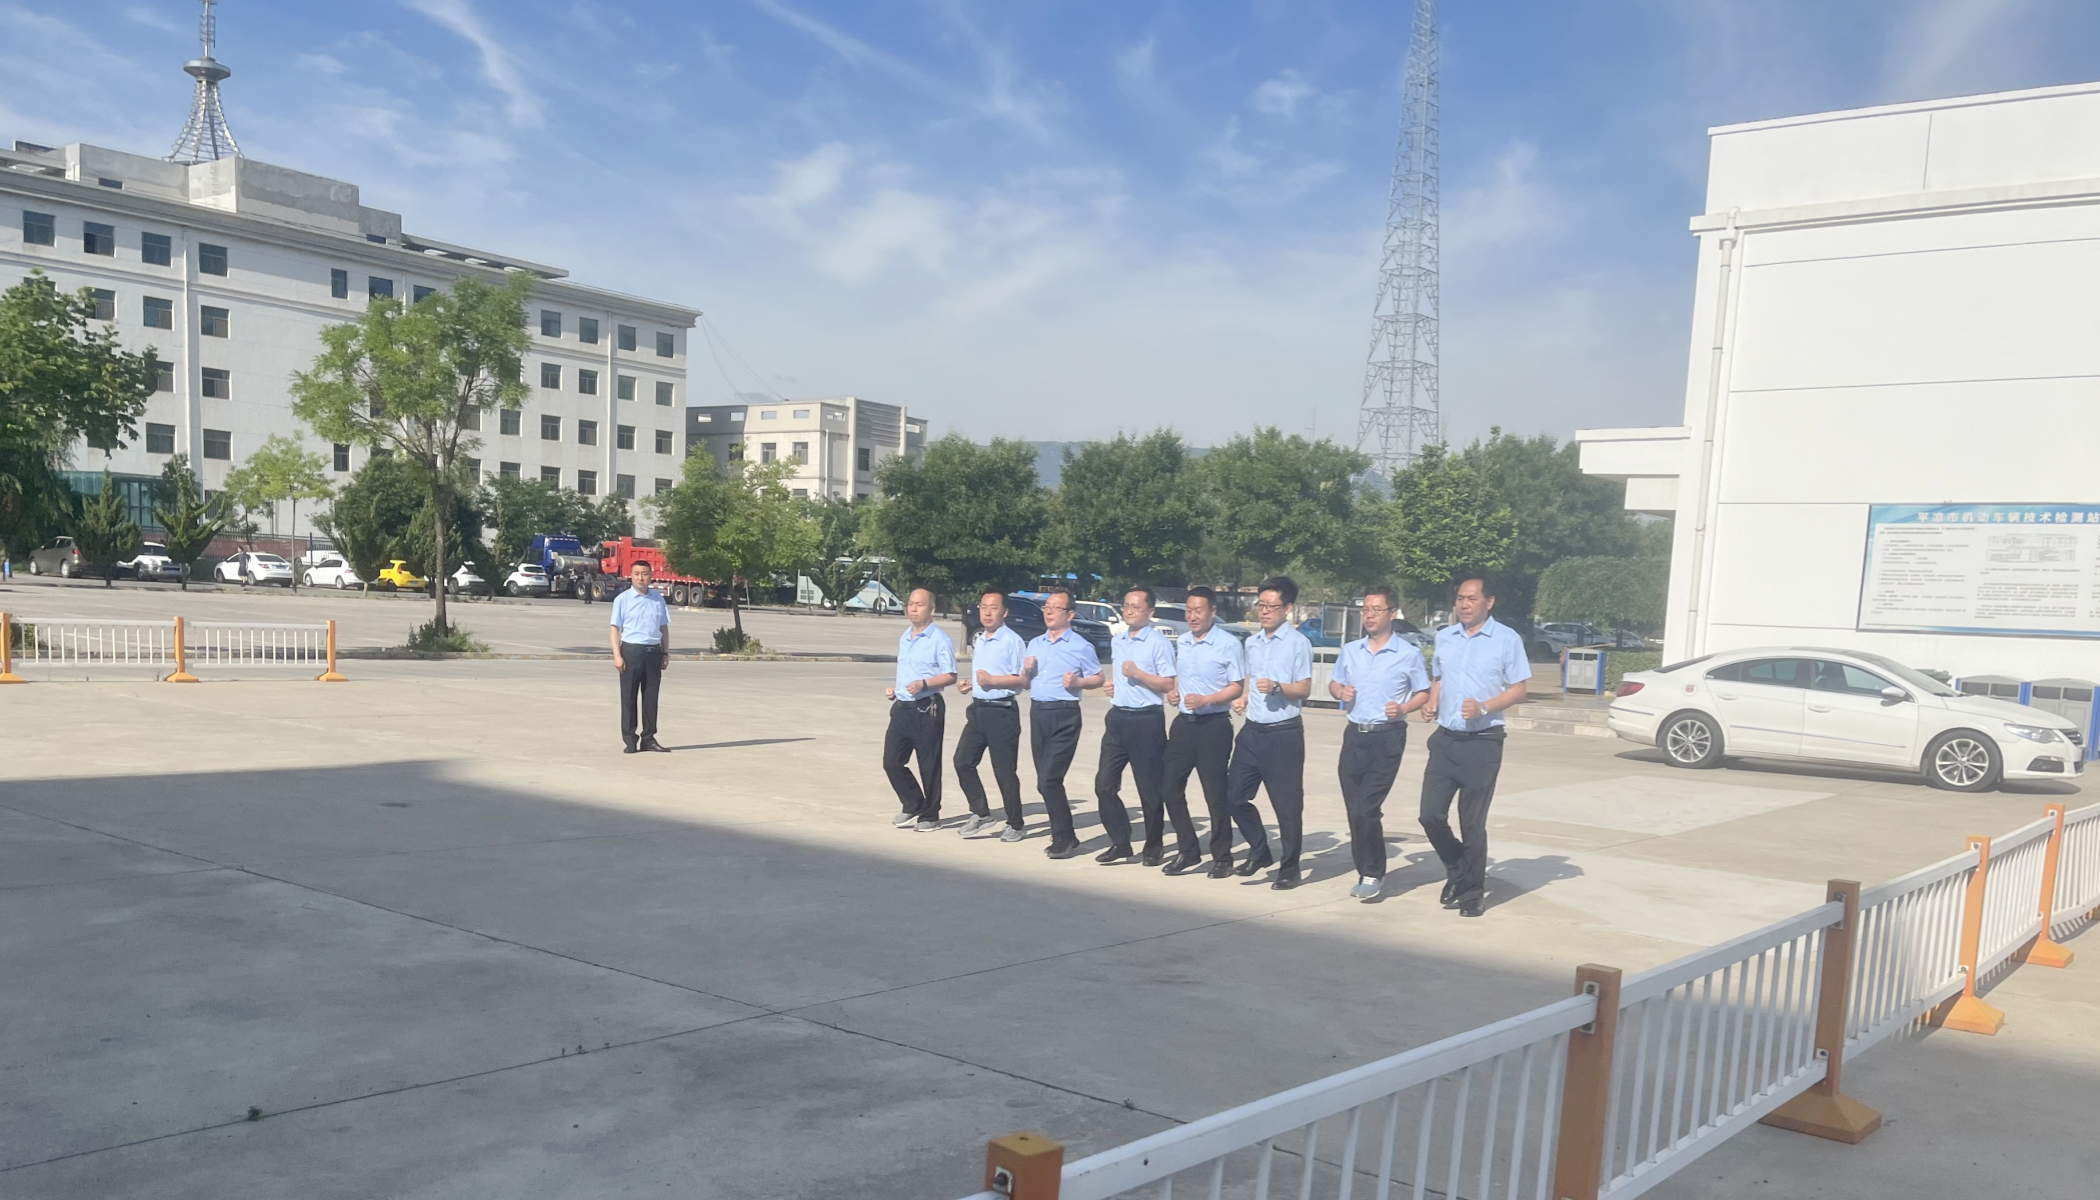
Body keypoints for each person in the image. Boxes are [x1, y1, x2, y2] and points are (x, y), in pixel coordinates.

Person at [1418, 573, 1532, 918]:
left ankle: (1471, 894)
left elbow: (1519, 688)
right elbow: (1440, 677)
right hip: (1446, 740)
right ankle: (1458, 868)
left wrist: (1485, 707)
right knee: (1430, 815)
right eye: (1460, 599)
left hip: (1483, 743)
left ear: (1489, 602)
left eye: (1472, 599)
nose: (1464, 605)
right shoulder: (1445, 637)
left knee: (1471, 823)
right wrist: (1432, 702)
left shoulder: (1506, 639)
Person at [1329, 585, 1431, 900]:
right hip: (1354, 736)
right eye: (1366, 610)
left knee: (1367, 806)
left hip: (1387, 737)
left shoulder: (1408, 654)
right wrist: (1340, 691)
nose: (1369, 615)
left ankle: (1373, 872)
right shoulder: (1351, 650)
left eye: (1376, 609)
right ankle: (1365, 868)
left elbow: (1423, 692)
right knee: (1355, 809)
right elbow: (1335, 683)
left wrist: (1404, 708)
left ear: (1392, 613)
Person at [1225, 576, 1314, 889]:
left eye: (1271, 606)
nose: (1264, 611)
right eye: (1260, 605)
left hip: (1283, 733)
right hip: (1253, 731)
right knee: (1233, 796)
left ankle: (1290, 868)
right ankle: (1260, 849)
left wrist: (1278, 687)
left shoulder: (1298, 644)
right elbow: (1254, 680)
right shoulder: (1252, 643)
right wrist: (1245, 697)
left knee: (1287, 806)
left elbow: (1304, 689)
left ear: (1287, 608)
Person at [1160, 586, 1243, 876]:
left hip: (1214, 727)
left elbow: (1237, 687)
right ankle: (1188, 850)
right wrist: (1175, 693)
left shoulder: (1228, 644)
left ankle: (1222, 857)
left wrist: (1207, 700)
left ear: (1213, 611)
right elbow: (1182, 679)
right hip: (1184, 725)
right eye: (1189, 610)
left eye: (1198, 610)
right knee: (1169, 789)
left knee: (1215, 795)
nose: (1192, 616)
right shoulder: (1183, 641)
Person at [1094, 586, 1178, 865]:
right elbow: (1121, 676)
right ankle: (1120, 841)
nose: (1129, 611)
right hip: (1118, 718)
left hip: (1146, 720)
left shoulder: (1158, 643)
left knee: (1149, 789)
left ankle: (1154, 846)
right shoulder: (1118, 641)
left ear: (1150, 612)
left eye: (1136, 606)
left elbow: (1167, 683)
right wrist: (1113, 685)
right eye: (1126, 605)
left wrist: (1138, 674)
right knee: (1104, 785)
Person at [1021, 586, 1104, 859]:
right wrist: (1026, 672)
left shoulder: (1081, 646)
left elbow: (1098, 678)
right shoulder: (1035, 644)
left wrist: (1079, 682)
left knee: (1049, 779)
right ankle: (1064, 834)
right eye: (1046, 607)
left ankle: (1064, 837)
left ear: (1070, 614)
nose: (1049, 612)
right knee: (1043, 780)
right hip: (1038, 712)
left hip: (1065, 715)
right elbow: (1025, 683)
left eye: (1055, 608)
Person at [954, 589, 1026, 839]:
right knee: (962, 761)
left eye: (993, 608)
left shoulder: (1013, 641)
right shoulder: (980, 640)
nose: (987, 612)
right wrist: (972, 684)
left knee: (1004, 771)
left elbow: (1022, 680)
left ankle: (1016, 824)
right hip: (978, 710)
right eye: (983, 607)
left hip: (1002, 712)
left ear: (1004, 612)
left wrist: (993, 681)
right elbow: (985, 675)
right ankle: (982, 813)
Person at [885, 586, 958, 830]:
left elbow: (950, 675)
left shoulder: (940, 640)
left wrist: (924, 684)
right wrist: (895, 689)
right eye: (911, 604)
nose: (913, 609)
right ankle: (913, 803)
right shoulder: (905, 637)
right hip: (902, 707)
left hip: (927, 708)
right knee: (892, 762)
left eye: (920, 604)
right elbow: (906, 670)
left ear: (932, 609)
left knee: (929, 765)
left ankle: (930, 815)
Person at [608, 560, 671, 753]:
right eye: (637, 574)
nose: (641, 578)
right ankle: (630, 740)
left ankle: (649, 739)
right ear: (631, 575)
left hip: (653, 652)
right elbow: (615, 629)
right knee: (629, 697)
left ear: (651, 576)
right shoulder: (622, 599)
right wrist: (617, 656)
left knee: (651, 698)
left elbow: (663, 628)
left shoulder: (658, 599)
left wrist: (665, 652)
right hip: (631, 652)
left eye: (644, 574)